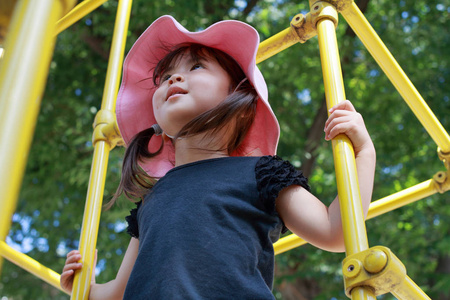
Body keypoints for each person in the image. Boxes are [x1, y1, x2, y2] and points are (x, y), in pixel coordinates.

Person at [60, 15, 376, 299]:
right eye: (165, 76)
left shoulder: (260, 173)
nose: (173, 79)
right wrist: (86, 290)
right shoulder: (151, 198)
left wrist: (363, 152)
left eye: (195, 67)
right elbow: (120, 292)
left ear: (240, 100)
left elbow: (335, 232)